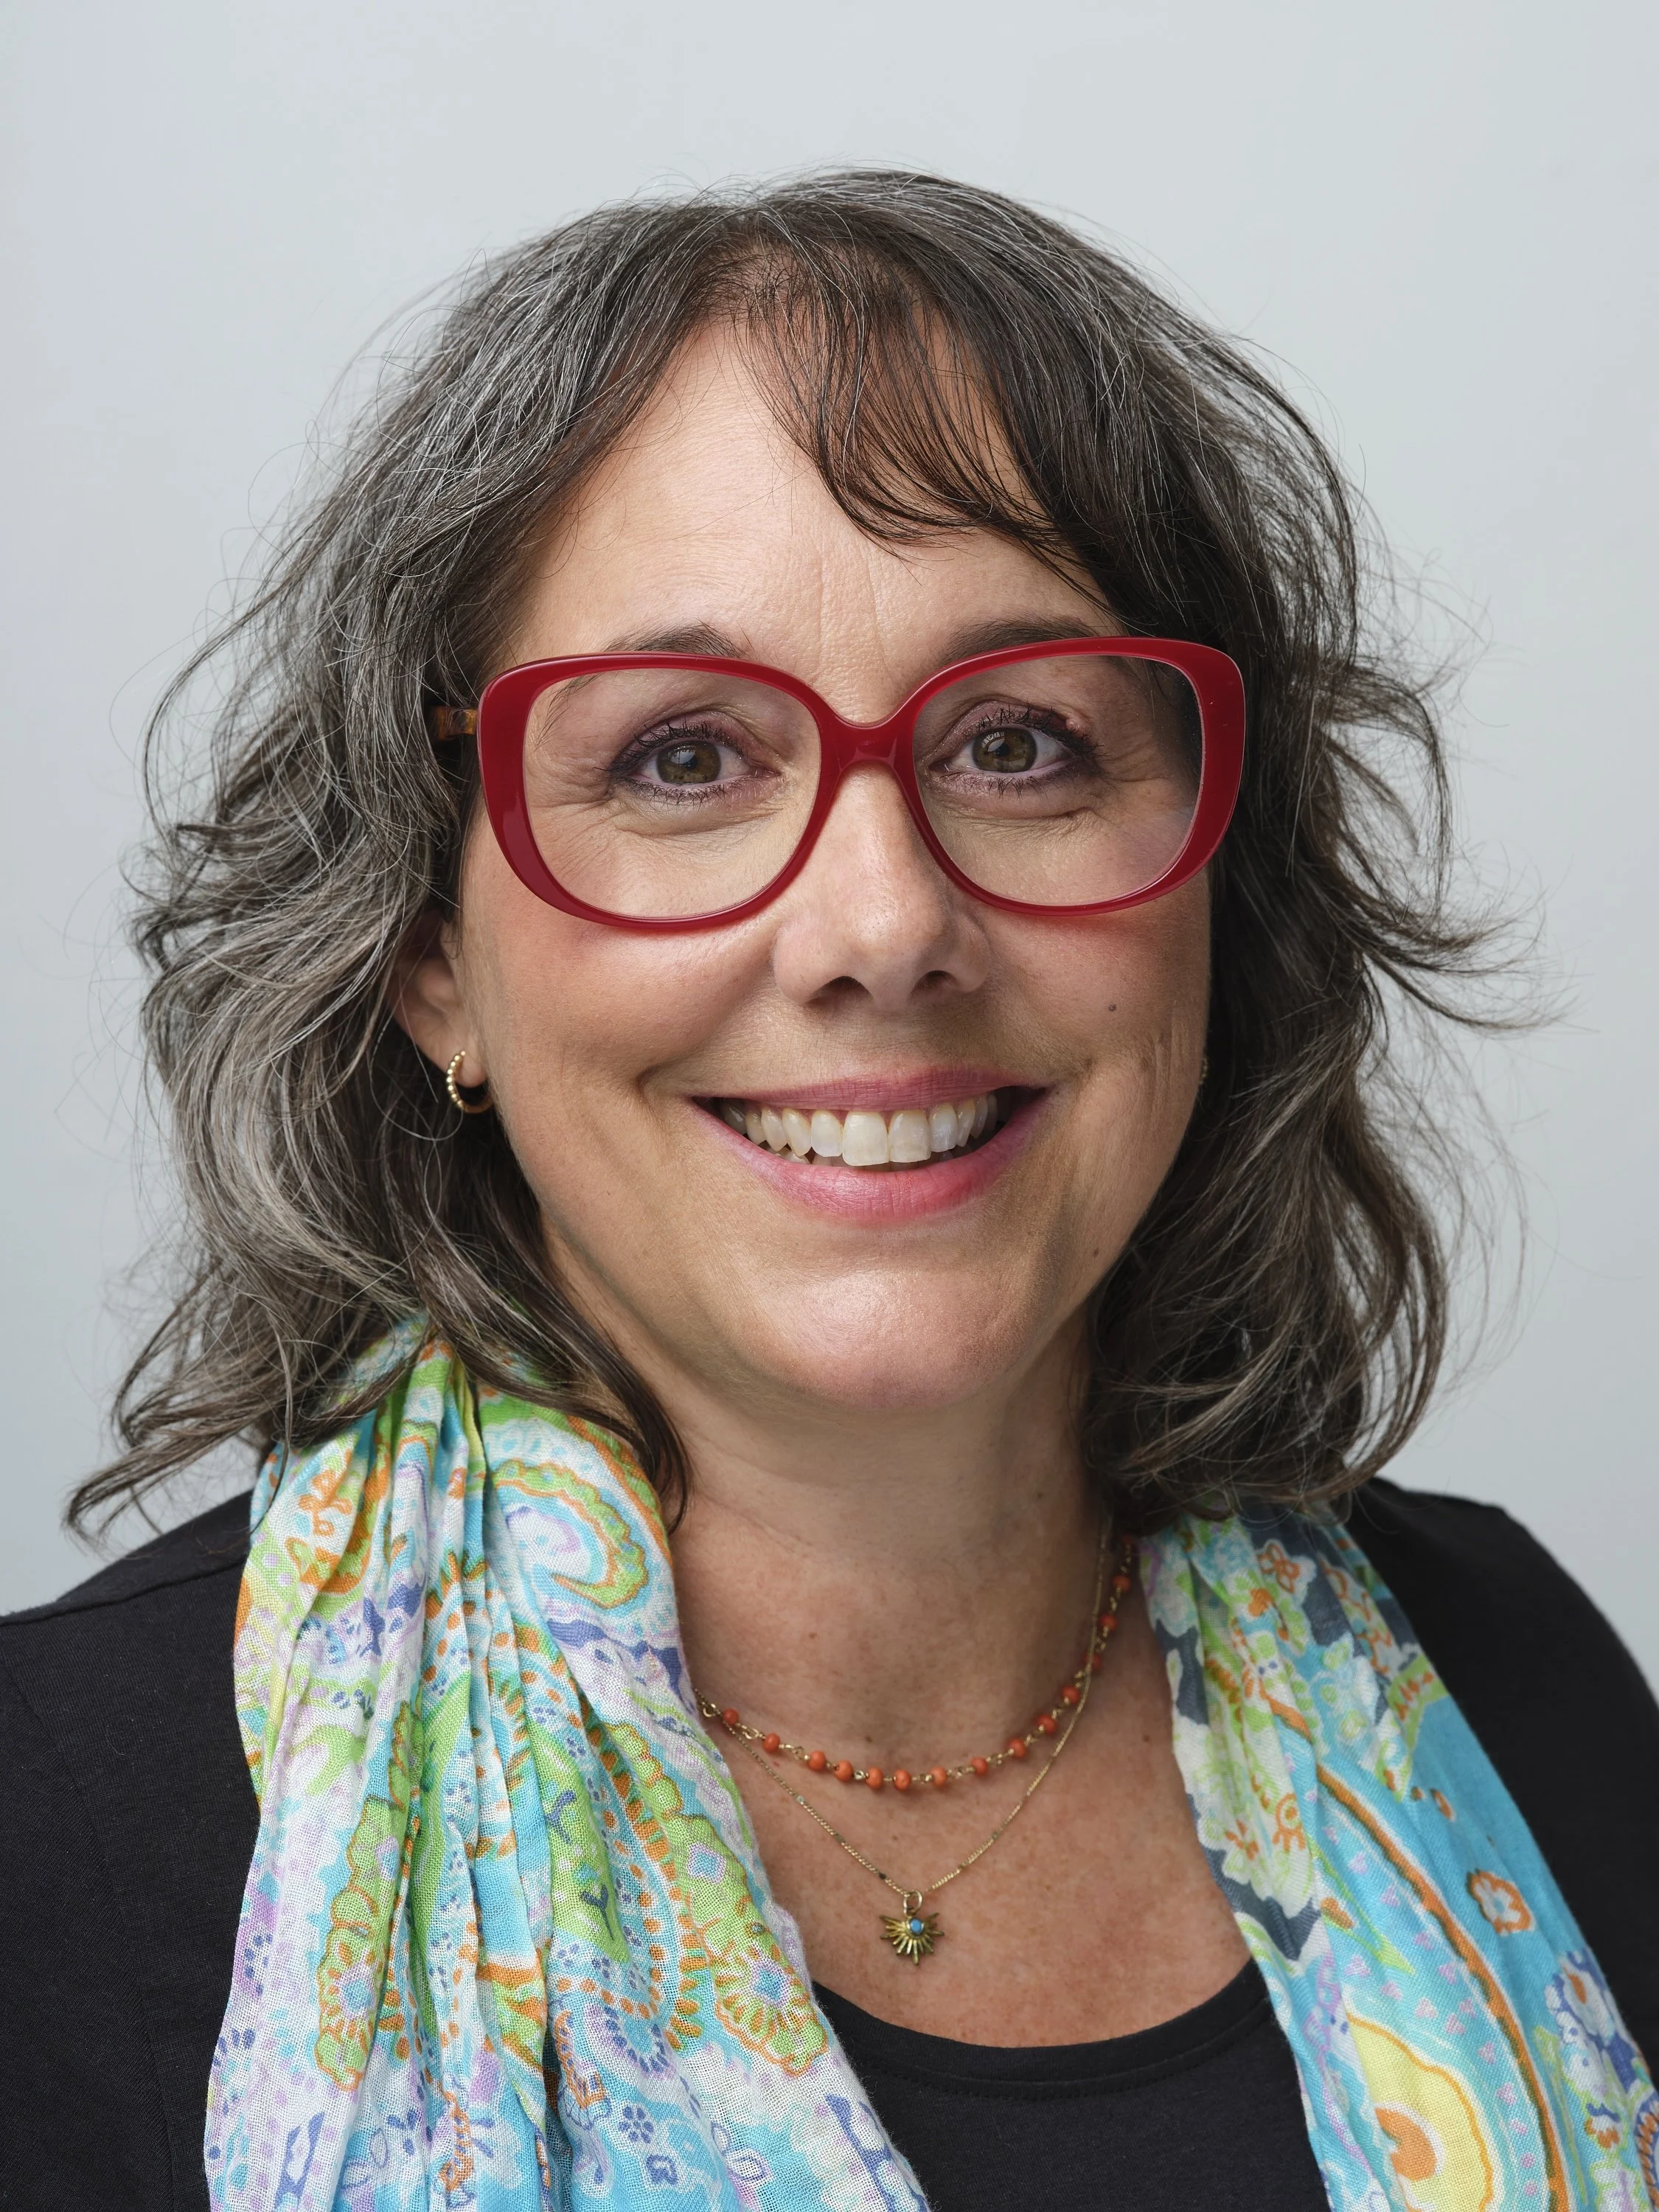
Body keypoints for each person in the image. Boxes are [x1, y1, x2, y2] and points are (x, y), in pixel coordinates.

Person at [1, 171, 1655, 2212]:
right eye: (684, 759)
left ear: (1223, 884)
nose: (884, 923)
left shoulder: (1526, 1682)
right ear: (434, 948)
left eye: (1027, 744)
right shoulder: (53, 1839)